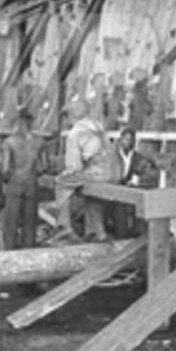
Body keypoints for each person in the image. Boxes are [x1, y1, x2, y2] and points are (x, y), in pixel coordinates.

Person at [55, 96, 121, 242]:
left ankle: (64, 227)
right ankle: (97, 232)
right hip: (116, 171)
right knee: (91, 196)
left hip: (100, 173)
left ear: (69, 116)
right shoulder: (97, 125)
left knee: (61, 183)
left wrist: (67, 176)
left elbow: (74, 167)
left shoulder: (75, 133)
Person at [1, 107, 46, 249]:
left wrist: (6, 181)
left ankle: (10, 251)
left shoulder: (9, 142)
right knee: (30, 221)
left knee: (11, 222)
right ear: (31, 122)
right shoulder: (39, 142)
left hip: (15, 182)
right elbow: (44, 166)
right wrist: (32, 173)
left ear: (18, 122)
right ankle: (28, 251)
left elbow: (5, 169)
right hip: (31, 182)